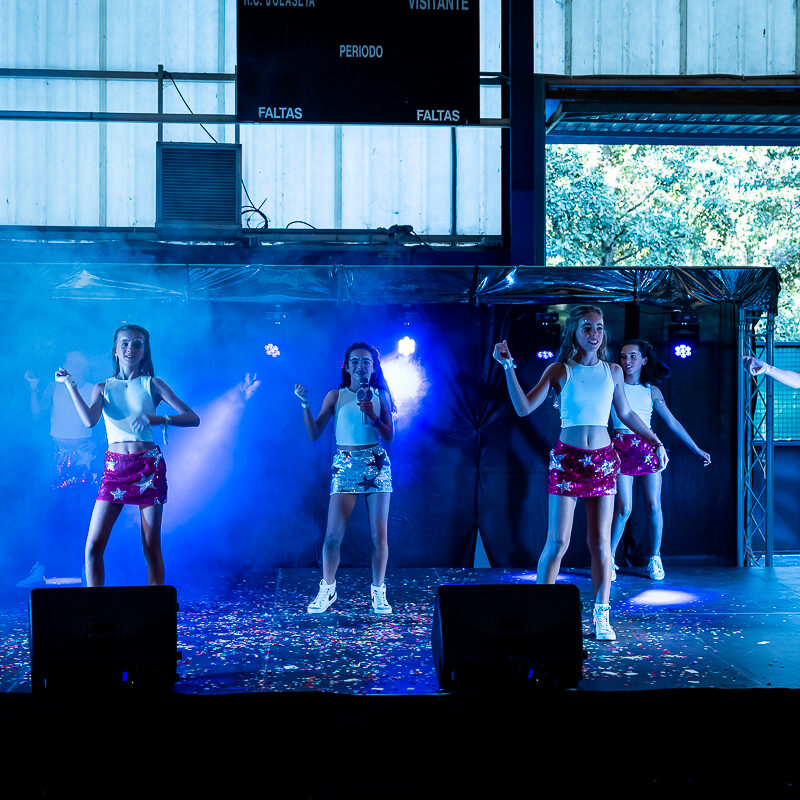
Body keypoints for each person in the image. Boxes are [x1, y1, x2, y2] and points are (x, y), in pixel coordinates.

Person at [493, 306, 668, 641]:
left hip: (603, 462)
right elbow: (523, 407)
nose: (594, 333)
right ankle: (539, 613)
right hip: (567, 462)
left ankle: (601, 616)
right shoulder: (560, 370)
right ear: (574, 331)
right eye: (587, 327)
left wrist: (655, 440)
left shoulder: (613, 371)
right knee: (557, 542)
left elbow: (626, 412)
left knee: (600, 544)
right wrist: (507, 367)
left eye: (599, 327)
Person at [56, 324, 199, 586]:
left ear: (144, 351)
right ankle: (95, 606)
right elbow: (89, 421)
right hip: (115, 470)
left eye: (137, 343)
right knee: (93, 547)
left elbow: (192, 418)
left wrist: (158, 419)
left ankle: (156, 606)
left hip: (148, 467)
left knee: (151, 547)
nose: (130, 348)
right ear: (115, 350)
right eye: (124, 343)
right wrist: (70, 385)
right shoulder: (103, 387)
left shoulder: (153, 384)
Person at [295, 342, 395, 615]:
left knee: (379, 536)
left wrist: (373, 416)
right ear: (347, 367)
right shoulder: (335, 396)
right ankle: (327, 588)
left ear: (373, 368)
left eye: (366, 361)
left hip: (375, 464)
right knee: (332, 536)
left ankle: (378, 591)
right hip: (346, 465)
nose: (361, 366)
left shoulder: (381, 395)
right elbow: (314, 434)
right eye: (355, 361)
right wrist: (305, 404)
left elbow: (389, 437)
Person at [610, 340, 711, 581]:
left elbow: (672, 422)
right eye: (623, 356)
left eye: (633, 356)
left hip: (648, 447)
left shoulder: (651, 391)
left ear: (644, 360)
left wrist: (695, 448)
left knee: (654, 506)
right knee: (624, 508)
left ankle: (655, 557)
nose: (627, 361)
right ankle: (608, 559)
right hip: (620, 447)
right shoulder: (613, 386)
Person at [19, 352, 98, 587]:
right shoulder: (53, 387)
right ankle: (40, 569)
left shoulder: (94, 388)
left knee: (84, 514)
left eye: (78, 363)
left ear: (86, 366)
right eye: (70, 362)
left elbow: (103, 421)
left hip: (83, 458)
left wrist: (96, 446)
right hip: (57, 456)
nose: (73, 366)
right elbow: (37, 414)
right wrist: (33, 388)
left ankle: (87, 569)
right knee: (49, 513)